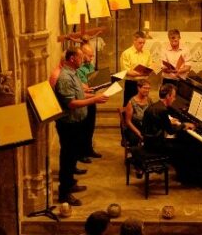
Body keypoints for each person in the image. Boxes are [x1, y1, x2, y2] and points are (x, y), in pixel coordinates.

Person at [54, 47, 109, 206]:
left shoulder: (73, 74)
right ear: (72, 59)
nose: (83, 59)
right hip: (68, 124)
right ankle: (64, 193)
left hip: (77, 122)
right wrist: (94, 100)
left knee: (72, 157)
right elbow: (71, 103)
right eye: (80, 57)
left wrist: (96, 96)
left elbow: (80, 94)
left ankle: (70, 183)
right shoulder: (65, 78)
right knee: (67, 158)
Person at [141, 83, 195, 180]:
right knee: (184, 148)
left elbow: (158, 121)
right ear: (168, 96)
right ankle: (184, 176)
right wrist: (184, 125)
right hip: (156, 145)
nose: (174, 99)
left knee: (179, 144)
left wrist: (169, 121)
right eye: (173, 97)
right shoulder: (163, 110)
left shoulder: (154, 105)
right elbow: (170, 131)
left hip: (148, 141)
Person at [76, 43, 103, 161]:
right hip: (84, 100)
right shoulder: (79, 68)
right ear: (83, 54)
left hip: (92, 98)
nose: (92, 58)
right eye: (90, 56)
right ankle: (81, 153)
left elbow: (93, 79)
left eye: (93, 56)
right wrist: (94, 84)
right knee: (83, 128)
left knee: (90, 126)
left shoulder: (90, 65)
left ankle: (89, 149)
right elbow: (84, 85)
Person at [121, 31, 152, 107]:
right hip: (131, 83)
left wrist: (150, 70)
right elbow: (126, 71)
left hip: (143, 84)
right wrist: (142, 73)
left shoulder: (147, 53)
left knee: (144, 106)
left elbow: (150, 67)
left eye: (143, 43)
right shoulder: (126, 53)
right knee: (128, 105)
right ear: (134, 41)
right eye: (140, 43)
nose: (142, 45)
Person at [124, 79, 153, 146]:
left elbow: (153, 113)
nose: (147, 90)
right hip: (134, 127)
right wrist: (138, 133)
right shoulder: (131, 102)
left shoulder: (149, 100)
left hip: (145, 126)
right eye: (145, 88)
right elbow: (128, 121)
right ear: (138, 88)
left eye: (148, 89)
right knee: (134, 139)